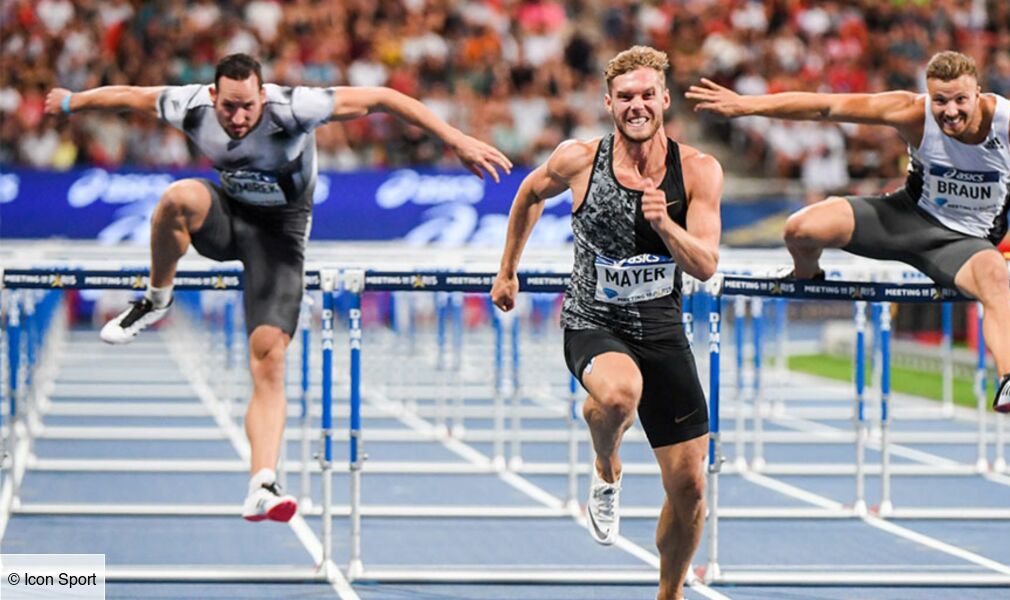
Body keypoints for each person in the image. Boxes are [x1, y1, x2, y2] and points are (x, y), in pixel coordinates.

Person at [45, 53, 512, 522]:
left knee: (268, 358)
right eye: (229, 107)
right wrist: (71, 103)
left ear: (263, 96)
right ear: (213, 97)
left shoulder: (295, 108)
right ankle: (155, 300)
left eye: (248, 106)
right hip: (227, 218)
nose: (238, 117)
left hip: (280, 238)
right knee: (176, 198)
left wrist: (456, 140)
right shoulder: (190, 105)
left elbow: (382, 98)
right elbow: (131, 96)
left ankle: (262, 484)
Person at [688, 50, 1010, 414]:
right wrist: (746, 105)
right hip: (905, 216)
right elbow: (827, 106)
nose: (949, 111)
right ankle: (805, 274)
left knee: (996, 274)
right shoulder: (911, 111)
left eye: (960, 100)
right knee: (800, 228)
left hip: (964, 243)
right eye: (940, 101)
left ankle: (1009, 381)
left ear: (978, 93)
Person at [490, 46, 722, 600]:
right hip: (593, 319)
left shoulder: (698, 171)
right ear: (608, 102)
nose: (637, 105)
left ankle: (670, 593)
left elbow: (706, 265)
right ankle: (606, 463)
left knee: (689, 487)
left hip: (663, 329)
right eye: (626, 97)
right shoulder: (578, 160)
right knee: (619, 395)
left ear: (664, 98)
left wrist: (666, 225)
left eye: (647, 95)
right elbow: (527, 195)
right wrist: (507, 272)